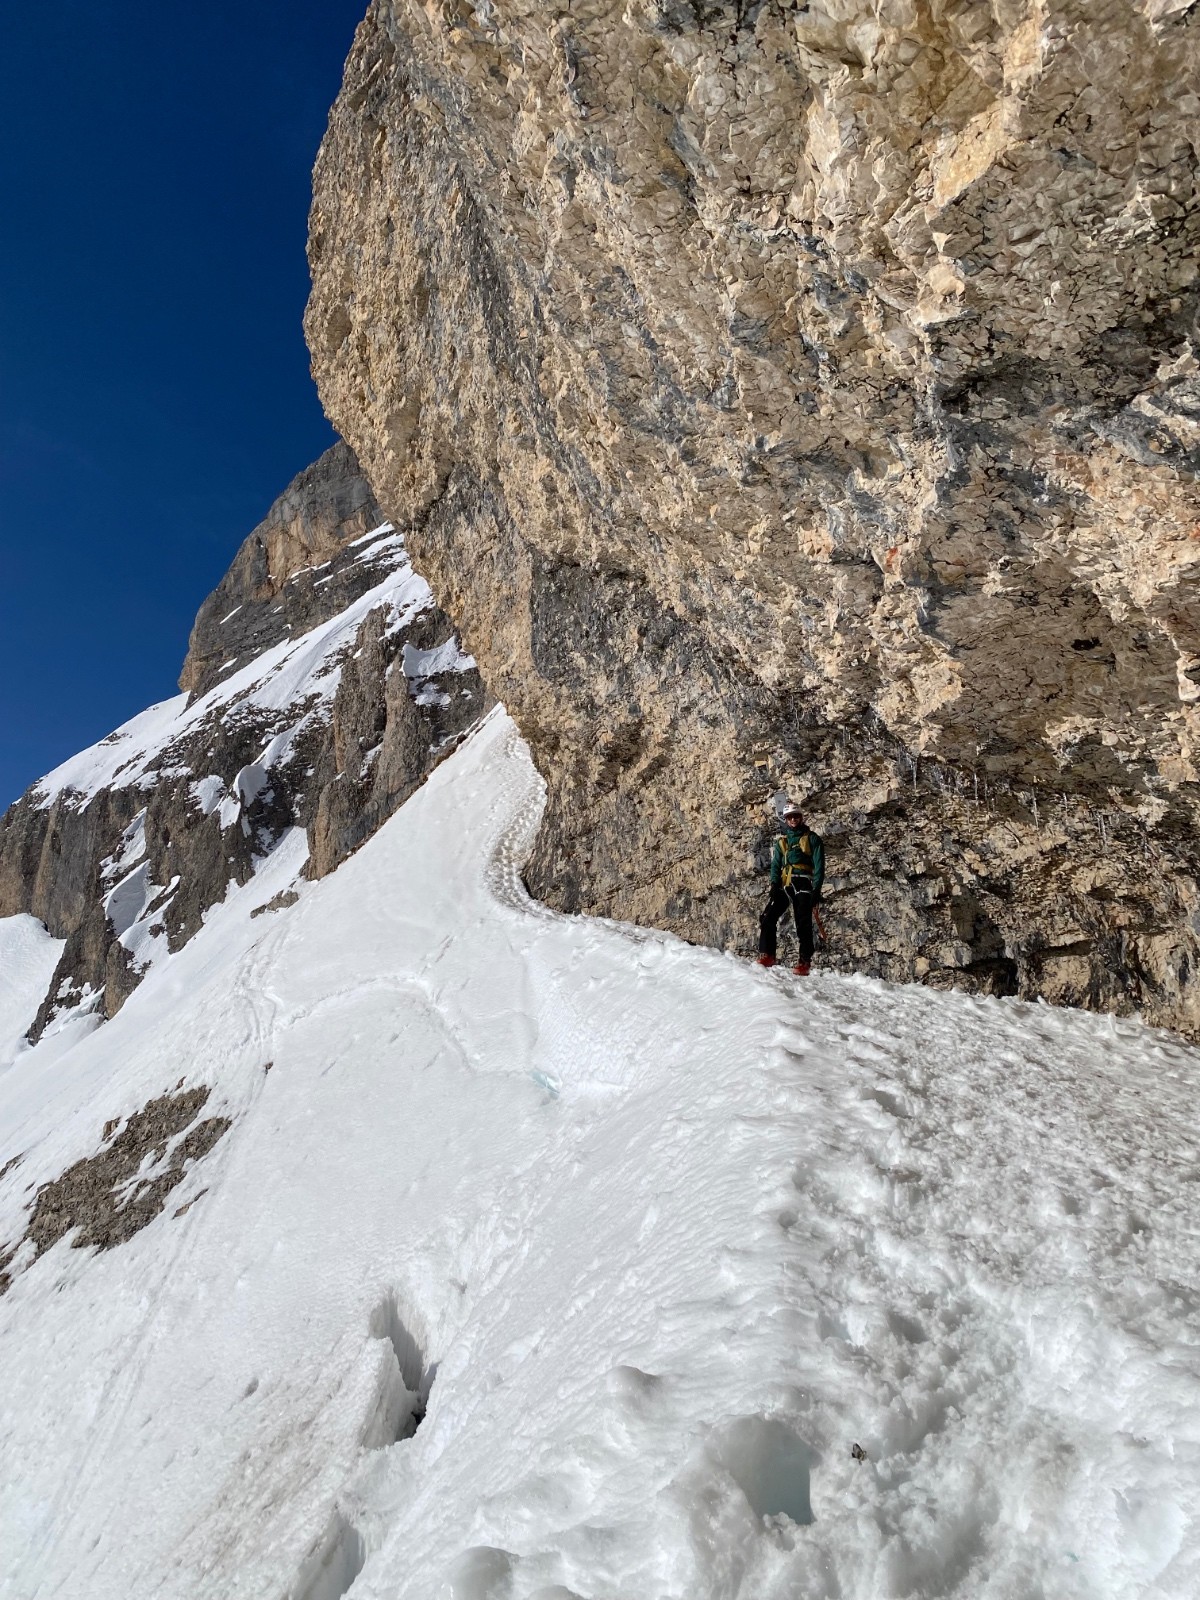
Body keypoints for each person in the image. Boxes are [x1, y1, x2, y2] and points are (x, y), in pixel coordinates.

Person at [758, 800, 824, 975]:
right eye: (789, 817)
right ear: (785, 820)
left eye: (796, 816)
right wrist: (773, 884)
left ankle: (804, 961)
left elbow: (819, 866)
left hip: (803, 882)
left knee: (803, 922)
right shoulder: (782, 842)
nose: (793, 820)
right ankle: (768, 954)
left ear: (801, 817)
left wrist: (817, 890)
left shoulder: (812, 839)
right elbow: (776, 865)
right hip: (785, 882)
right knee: (767, 916)